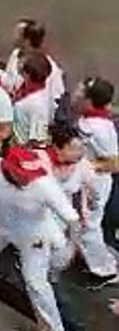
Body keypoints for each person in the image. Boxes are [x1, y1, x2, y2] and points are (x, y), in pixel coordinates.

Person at [0, 145, 81, 331]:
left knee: (35, 283)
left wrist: (71, 247)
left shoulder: (44, 185)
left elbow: (73, 219)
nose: (26, 180)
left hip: (33, 235)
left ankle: (54, 328)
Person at [72, 77, 118, 285]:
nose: (76, 93)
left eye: (81, 92)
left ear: (89, 100)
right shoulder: (90, 120)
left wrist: (88, 166)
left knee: (88, 225)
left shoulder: (100, 128)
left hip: (94, 183)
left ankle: (104, 270)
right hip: (85, 180)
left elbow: (114, 163)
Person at [12, 50, 56, 145]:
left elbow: (38, 140)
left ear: (27, 74)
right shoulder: (24, 91)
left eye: (21, 63)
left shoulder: (36, 103)